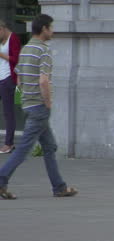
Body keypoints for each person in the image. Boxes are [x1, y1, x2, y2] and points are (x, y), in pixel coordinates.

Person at [0, 14, 77, 200]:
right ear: (44, 29)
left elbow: (18, 76)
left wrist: (24, 100)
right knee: (23, 148)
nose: (53, 31)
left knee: (49, 147)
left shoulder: (26, 49)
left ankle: (59, 187)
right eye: (51, 27)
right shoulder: (43, 50)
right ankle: (1, 180)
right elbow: (44, 80)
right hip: (39, 107)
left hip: (28, 105)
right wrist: (47, 101)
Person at [0, 20, 21, 154]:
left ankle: (9, 143)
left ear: (2, 29)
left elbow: (16, 59)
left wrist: (1, 54)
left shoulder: (13, 38)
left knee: (8, 113)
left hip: (8, 79)